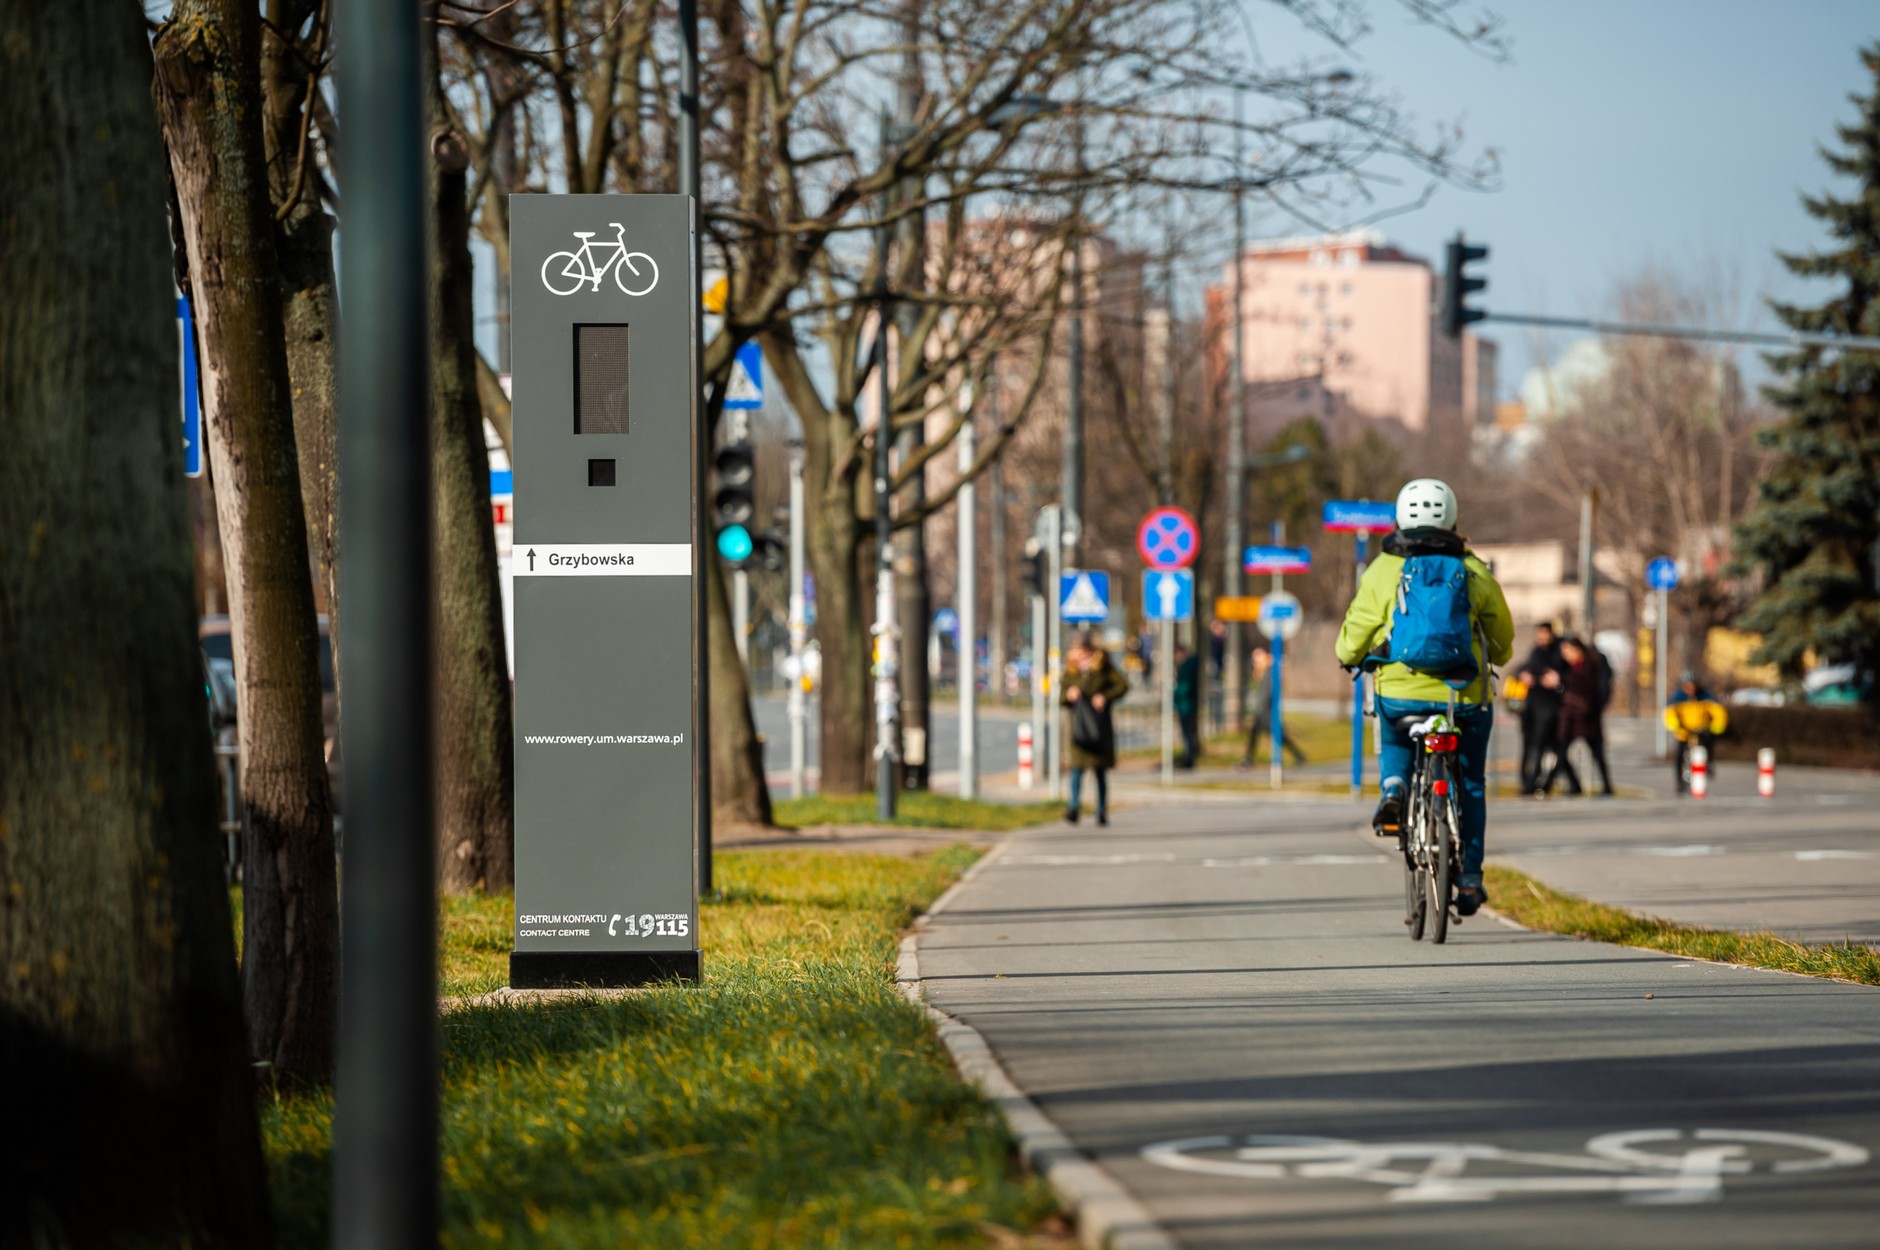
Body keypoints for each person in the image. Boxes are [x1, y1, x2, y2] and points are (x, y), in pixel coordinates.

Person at [1335, 478, 1514, 917]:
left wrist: (1349, 656)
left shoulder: (1383, 570)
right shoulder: (1473, 570)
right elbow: (1503, 640)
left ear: (1398, 519)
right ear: (1453, 519)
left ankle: (1394, 788)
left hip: (1401, 694)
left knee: (1395, 736)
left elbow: (1353, 635)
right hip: (1463, 699)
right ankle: (1469, 879)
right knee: (1470, 783)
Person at [1062, 631, 1128, 825]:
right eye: (1074, 651)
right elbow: (1061, 698)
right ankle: (1073, 808)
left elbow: (1122, 686)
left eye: (1080, 651)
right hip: (1078, 728)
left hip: (1099, 727)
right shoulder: (1070, 671)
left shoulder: (1103, 666)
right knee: (1076, 772)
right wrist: (1069, 694)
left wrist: (1104, 697)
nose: (1077, 655)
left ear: (1088, 650)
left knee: (1099, 772)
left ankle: (1101, 810)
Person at [1543, 636, 1615, 796]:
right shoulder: (1571, 667)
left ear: (1577, 650)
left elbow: (1583, 689)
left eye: (1567, 651)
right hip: (1574, 719)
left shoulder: (1587, 667)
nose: (1565, 655)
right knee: (1562, 752)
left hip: (1582, 718)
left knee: (1591, 753)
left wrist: (1560, 680)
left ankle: (1548, 785)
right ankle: (1557, 785)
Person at [1514, 622, 1565, 794]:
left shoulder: (1558, 652)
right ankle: (1527, 782)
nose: (1542, 639)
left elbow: (1565, 674)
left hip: (1549, 707)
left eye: (1545, 635)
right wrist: (1524, 674)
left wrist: (1558, 680)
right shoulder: (1535, 651)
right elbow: (1524, 667)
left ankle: (1537, 782)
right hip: (1531, 708)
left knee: (1544, 746)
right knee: (1529, 745)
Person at [1241, 644, 1307, 768]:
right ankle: (1248, 758)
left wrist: (1262, 710)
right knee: (1256, 736)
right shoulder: (1265, 672)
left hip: (1266, 713)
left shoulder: (1270, 673)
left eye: (1258, 657)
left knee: (1279, 736)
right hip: (1262, 712)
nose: (1255, 661)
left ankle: (1297, 755)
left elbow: (1267, 695)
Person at [1665, 672, 1729, 793]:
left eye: (1693, 685)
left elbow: (1719, 711)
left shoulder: (1705, 696)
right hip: (1684, 731)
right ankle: (1679, 781)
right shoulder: (1678, 697)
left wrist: (1717, 726)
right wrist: (1675, 725)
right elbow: (1670, 713)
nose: (1691, 689)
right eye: (1688, 686)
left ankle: (1709, 763)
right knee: (1679, 755)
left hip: (1702, 730)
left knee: (1708, 742)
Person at [1172, 641, 1200, 769]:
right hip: (1184, 705)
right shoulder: (1185, 666)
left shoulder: (1188, 667)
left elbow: (1186, 686)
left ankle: (1189, 758)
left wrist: (1176, 693)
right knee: (1187, 733)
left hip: (1186, 705)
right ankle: (1188, 756)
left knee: (1187, 733)